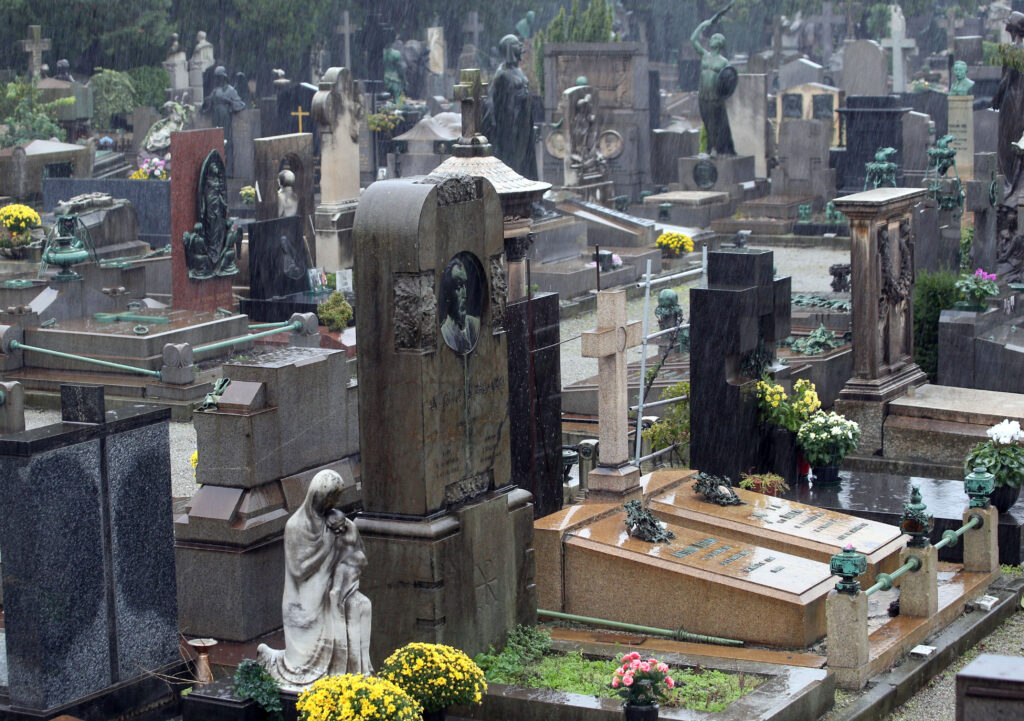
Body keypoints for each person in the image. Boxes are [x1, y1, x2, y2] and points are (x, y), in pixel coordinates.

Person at [257, 470, 372, 689]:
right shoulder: (295, 526)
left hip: (330, 588)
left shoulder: (334, 520)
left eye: (336, 498)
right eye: (330, 498)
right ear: (318, 496)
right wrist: (328, 544)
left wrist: (348, 533)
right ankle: (314, 677)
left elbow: (357, 554)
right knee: (329, 616)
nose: (333, 503)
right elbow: (299, 570)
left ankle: (351, 674)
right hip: (303, 598)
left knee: (361, 605)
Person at [486, 34, 539, 180]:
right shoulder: (501, 73)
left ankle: (525, 183)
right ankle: (513, 183)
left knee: (525, 156)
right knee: (513, 157)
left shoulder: (518, 70)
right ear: (509, 48)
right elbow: (493, 101)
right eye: (516, 44)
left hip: (523, 120)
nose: (520, 46)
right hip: (510, 124)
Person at [690, 4, 736, 156]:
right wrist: (703, 25)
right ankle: (709, 148)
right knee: (707, 123)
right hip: (703, 96)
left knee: (715, 124)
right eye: (712, 37)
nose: (712, 39)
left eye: (716, 38)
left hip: (715, 98)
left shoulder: (724, 62)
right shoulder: (705, 55)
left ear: (720, 43)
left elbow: (730, 79)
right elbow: (693, 39)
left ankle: (714, 149)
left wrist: (724, 92)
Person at [440, 258, 480, 354]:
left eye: (465, 285)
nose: (465, 295)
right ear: (448, 294)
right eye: (458, 287)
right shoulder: (445, 334)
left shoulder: (475, 325)